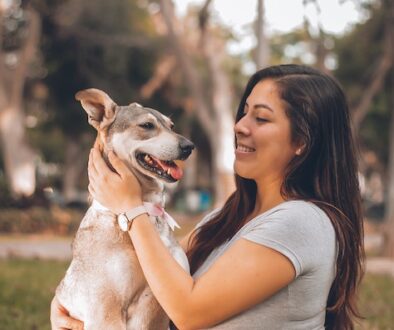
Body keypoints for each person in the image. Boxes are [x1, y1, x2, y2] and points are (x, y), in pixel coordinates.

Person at [51, 64, 364, 330]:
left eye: (262, 118)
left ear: (302, 142)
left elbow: (188, 312)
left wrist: (131, 207)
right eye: (243, 113)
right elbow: (147, 272)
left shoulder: (301, 222)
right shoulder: (226, 217)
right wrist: (66, 303)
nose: (240, 126)